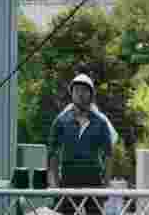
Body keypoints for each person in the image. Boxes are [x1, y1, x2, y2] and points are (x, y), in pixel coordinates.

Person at [48, 74, 115, 215]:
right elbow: (52, 153)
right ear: (71, 93)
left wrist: (106, 185)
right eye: (77, 90)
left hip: (93, 178)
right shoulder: (61, 120)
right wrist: (55, 183)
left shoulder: (100, 122)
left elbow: (109, 155)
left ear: (91, 94)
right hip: (68, 178)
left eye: (85, 90)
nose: (80, 94)